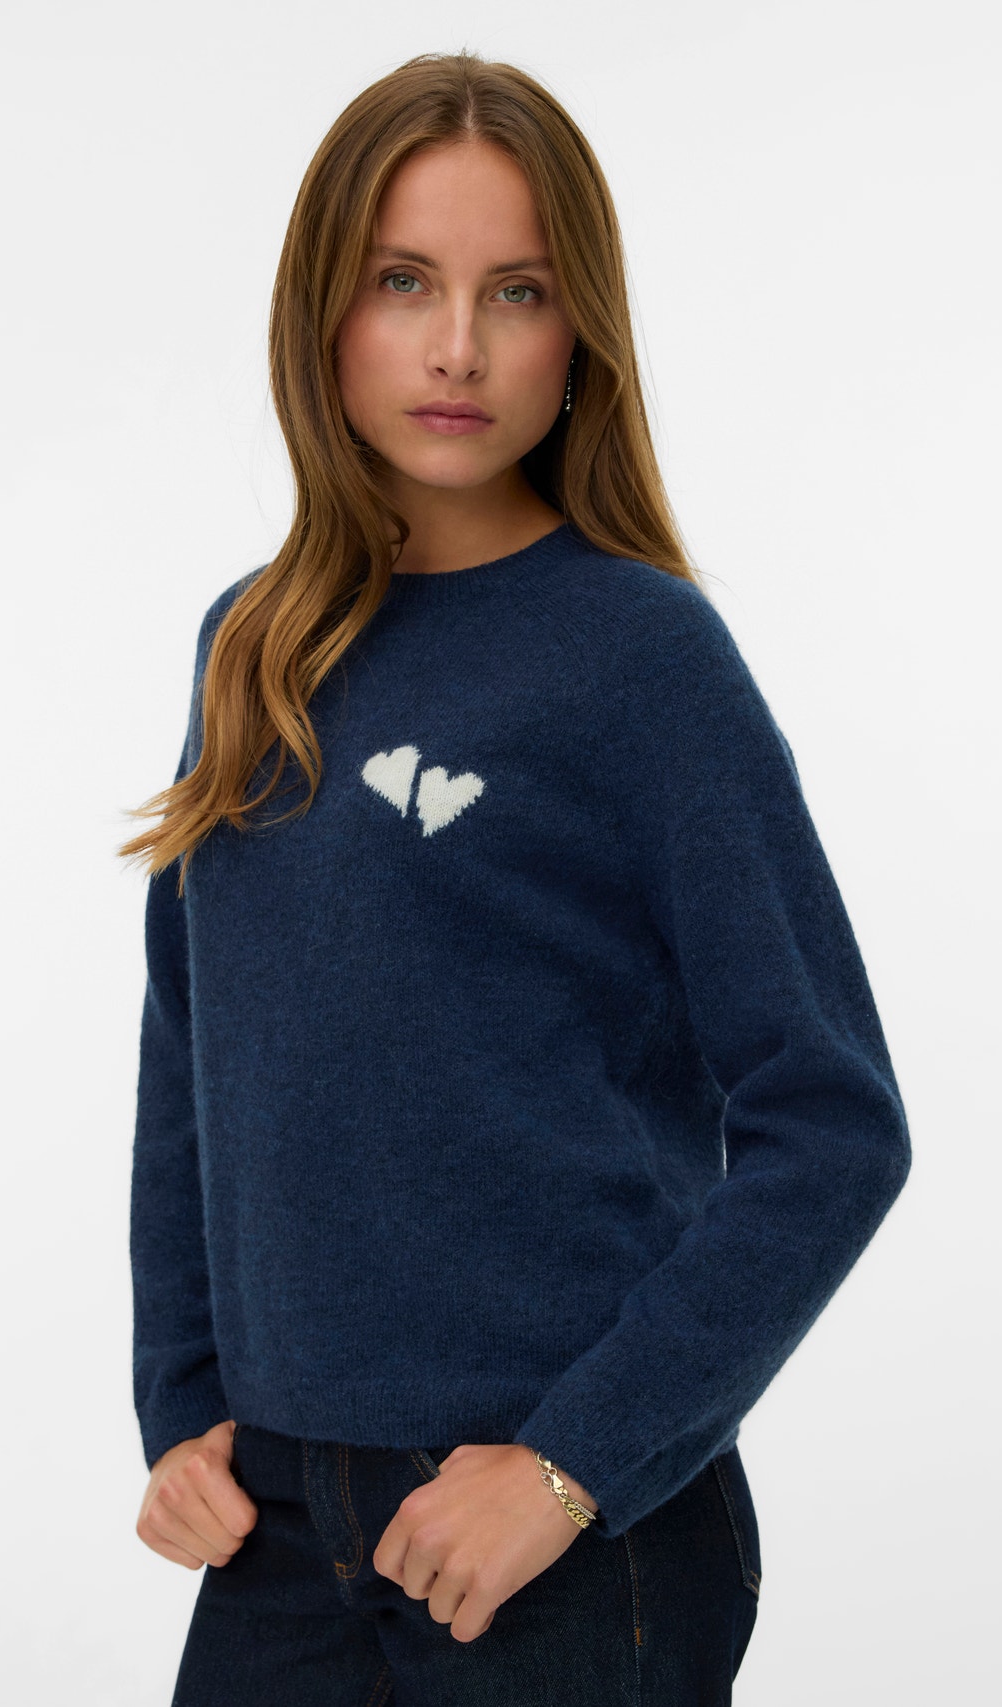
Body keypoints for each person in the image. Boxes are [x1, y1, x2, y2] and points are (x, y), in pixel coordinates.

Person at [118, 49, 912, 1707]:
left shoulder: (644, 660)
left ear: (580, 336)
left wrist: (569, 1468)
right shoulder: (249, 648)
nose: (458, 347)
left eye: (519, 291)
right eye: (404, 281)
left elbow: (833, 1120)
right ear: (324, 313)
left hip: (560, 1546)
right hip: (276, 1528)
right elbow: (194, 1056)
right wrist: (183, 1399)